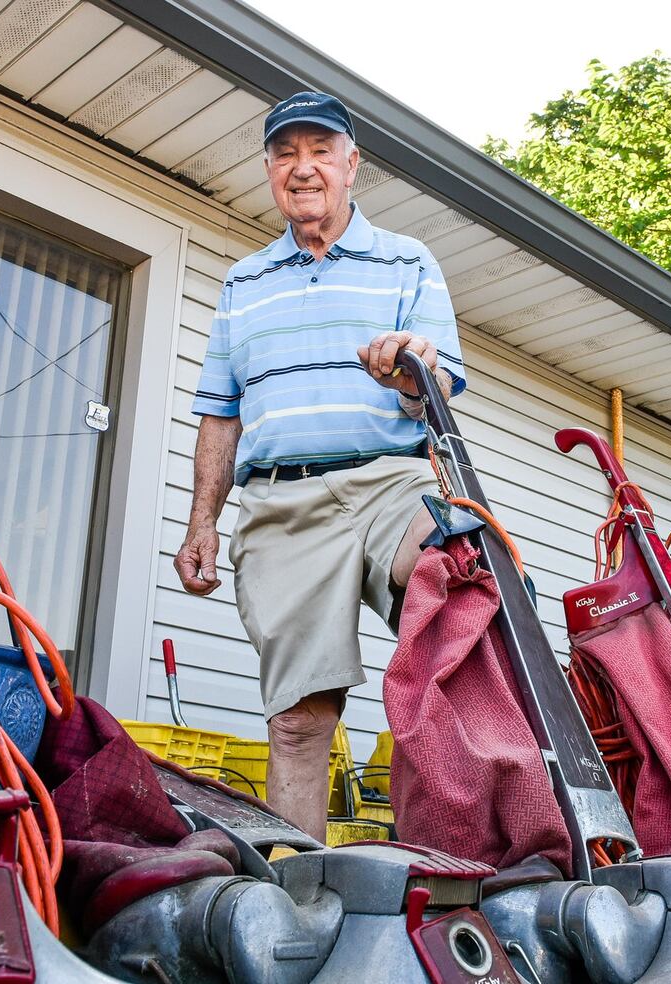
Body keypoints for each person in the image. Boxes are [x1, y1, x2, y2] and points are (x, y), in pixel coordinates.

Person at [175, 91, 464, 840]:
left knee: (452, 579)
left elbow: (433, 386)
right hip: (280, 506)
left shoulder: (406, 261)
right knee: (300, 724)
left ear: (351, 164)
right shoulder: (243, 284)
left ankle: (443, 872)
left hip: (388, 484)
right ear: (270, 167)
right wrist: (201, 521)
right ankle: (294, 904)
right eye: (285, 153)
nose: (303, 168)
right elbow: (220, 411)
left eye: (320, 151)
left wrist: (407, 369)